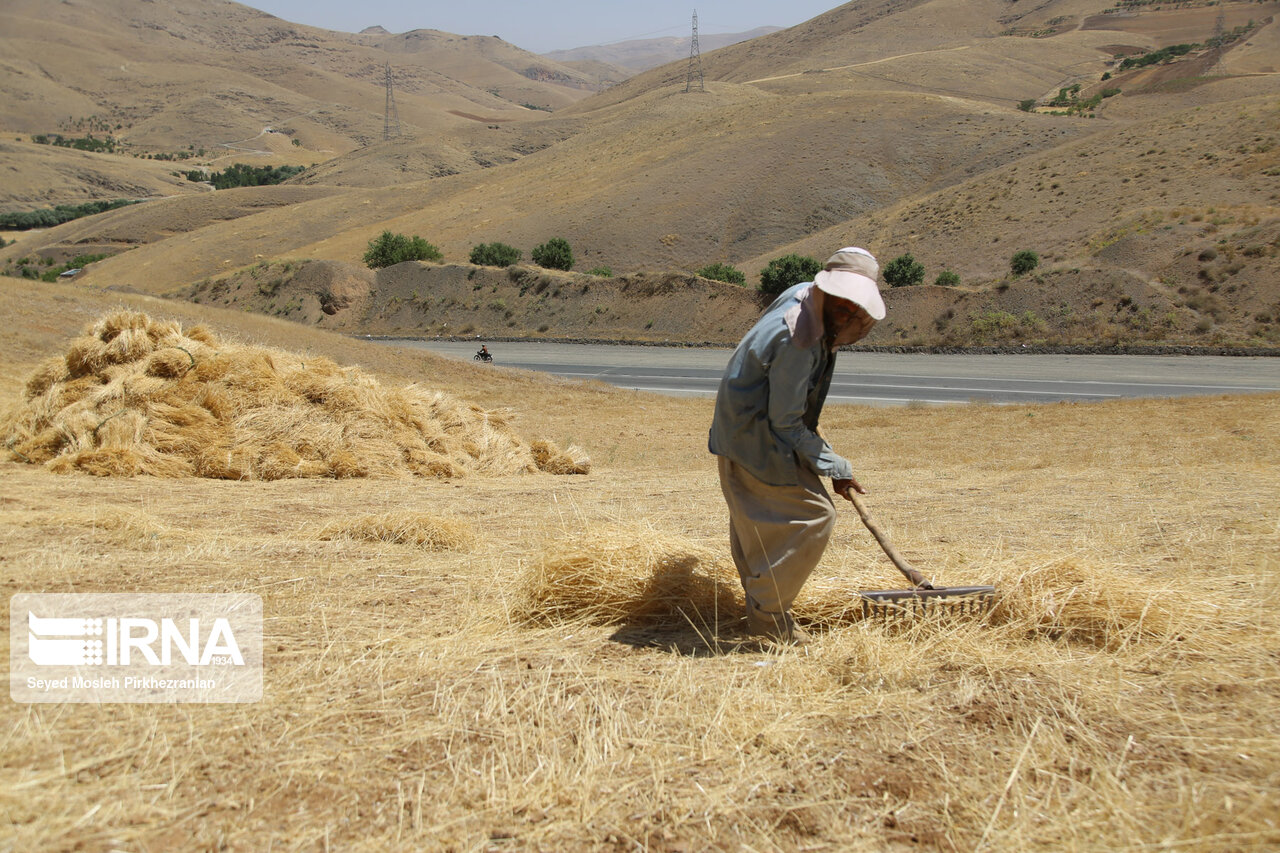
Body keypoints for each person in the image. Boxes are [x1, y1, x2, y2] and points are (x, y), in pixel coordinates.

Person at [708, 247, 885, 645]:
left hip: (746, 426)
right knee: (814, 517)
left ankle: (764, 610)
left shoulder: (805, 293)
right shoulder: (798, 341)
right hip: (753, 435)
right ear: (828, 288)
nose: (847, 313)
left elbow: (791, 415)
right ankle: (769, 621)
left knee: (757, 523)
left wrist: (824, 459)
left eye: (855, 305)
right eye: (842, 301)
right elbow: (784, 421)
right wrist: (834, 465)